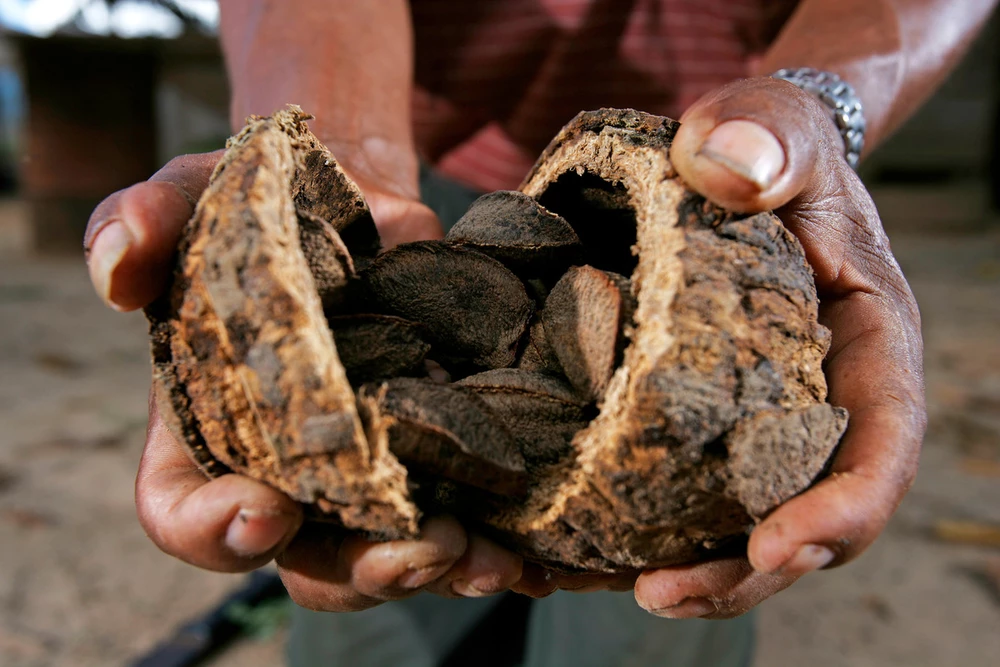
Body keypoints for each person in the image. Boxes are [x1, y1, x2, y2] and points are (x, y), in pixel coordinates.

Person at [83, 1, 992, 664]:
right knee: (366, 610)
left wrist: (814, 108)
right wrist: (327, 149)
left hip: (718, 173)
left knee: (654, 623)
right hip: (410, 192)